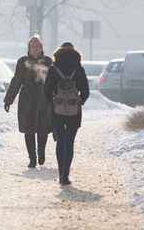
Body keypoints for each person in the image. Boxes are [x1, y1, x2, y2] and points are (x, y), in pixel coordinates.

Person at [3, 35, 53, 169]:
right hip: (27, 100)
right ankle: (32, 158)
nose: (35, 49)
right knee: (29, 130)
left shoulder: (48, 61)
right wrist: (9, 99)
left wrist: (54, 98)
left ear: (41, 47)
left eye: (38, 46)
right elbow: (16, 81)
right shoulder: (22, 62)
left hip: (44, 99)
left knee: (43, 129)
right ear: (29, 48)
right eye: (33, 46)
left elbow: (53, 81)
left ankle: (41, 153)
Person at [43, 42, 89, 185]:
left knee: (60, 141)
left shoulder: (53, 68)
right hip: (73, 111)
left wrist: (52, 102)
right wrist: (79, 101)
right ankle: (65, 175)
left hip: (57, 110)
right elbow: (86, 92)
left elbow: (46, 91)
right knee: (69, 143)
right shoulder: (79, 69)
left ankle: (60, 172)